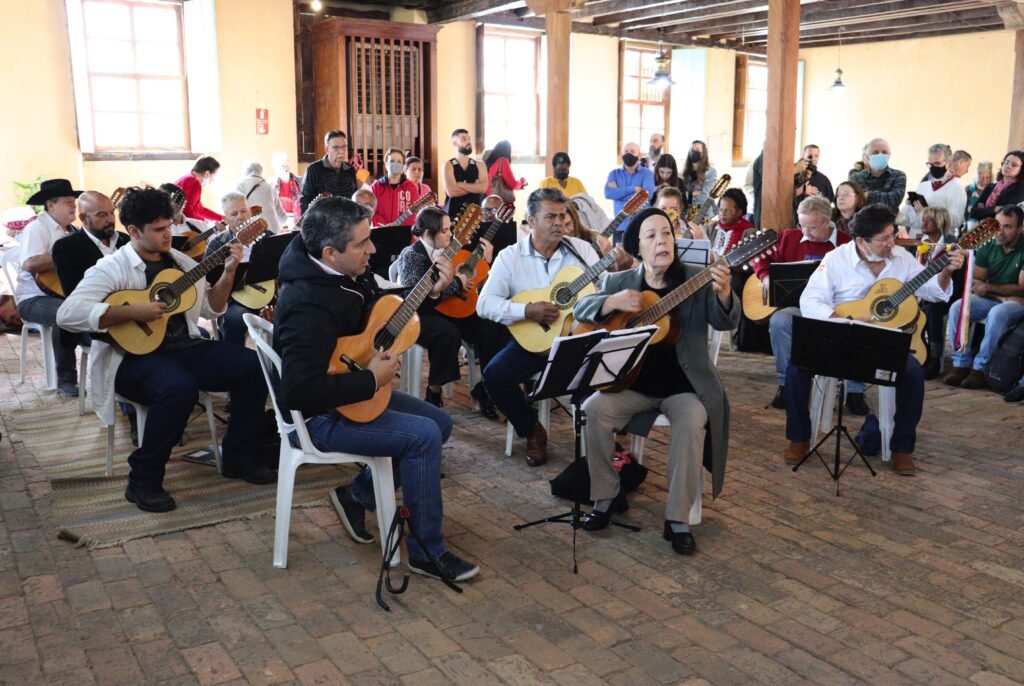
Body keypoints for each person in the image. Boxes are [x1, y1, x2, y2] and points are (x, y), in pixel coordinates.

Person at [272, 196, 479, 582]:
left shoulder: (340, 273)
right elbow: (298, 393)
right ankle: (425, 552)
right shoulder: (307, 305)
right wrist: (371, 379)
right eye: (362, 243)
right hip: (319, 417)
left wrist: (430, 287)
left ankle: (356, 497)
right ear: (330, 252)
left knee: (440, 422)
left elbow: (378, 306)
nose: (373, 248)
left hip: (351, 393)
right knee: (423, 437)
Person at [56, 187, 275, 512]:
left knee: (254, 366)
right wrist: (132, 312)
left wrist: (228, 272)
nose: (168, 235)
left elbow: (211, 309)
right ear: (133, 231)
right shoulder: (112, 268)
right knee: (178, 389)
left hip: (184, 348)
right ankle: (143, 480)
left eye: (169, 226)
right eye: (158, 230)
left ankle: (238, 457)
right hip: (131, 358)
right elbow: (67, 314)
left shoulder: (183, 262)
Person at [572, 207, 739, 555]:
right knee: (592, 410)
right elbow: (580, 310)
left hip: (683, 387)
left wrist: (724, 295)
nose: (662, 240)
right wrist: (611, 303)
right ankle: (605, 498)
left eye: (666, 233)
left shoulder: (696, 277)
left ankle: (677, 519)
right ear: (637, 246)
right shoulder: (619, 282)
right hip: (630, 385)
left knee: (693, 421)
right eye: (652, 236)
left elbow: (725, 322)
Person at [783, 204, 962, 476]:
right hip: (840, 337)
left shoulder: (901, 258)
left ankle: (902, 447)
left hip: (883, 344)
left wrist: (947, 271)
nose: (892, 242)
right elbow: (810, 300)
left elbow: (935, 292)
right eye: (884, 239)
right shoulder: (836, 259)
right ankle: (799, 438)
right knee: (797, 367)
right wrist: (846, 321)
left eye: (892, 235)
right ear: (860, 241)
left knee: (914, 373)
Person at [477, 188, 601, 466]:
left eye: (562, 215)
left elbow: (604, 287)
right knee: (494, 376)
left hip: (573, 340)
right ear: (531, 221)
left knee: (598, 373)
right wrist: (526, 310)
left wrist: (623, 267)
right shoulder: (510, 257)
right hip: (531, 342)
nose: (559, 223)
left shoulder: (580, 251)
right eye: (550, 217)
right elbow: (484, 304)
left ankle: (596, 447)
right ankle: (531, 428)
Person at [754, 196, 852, 409]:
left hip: (834, 310)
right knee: (779, 321)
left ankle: (853, 389)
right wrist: (766, 277)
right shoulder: (789, 236)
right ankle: (786, 383)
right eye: (801, 225)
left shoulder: (846, 243)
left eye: (812, 227)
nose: (804, 232)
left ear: (827, 223)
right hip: (797, 306)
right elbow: (761, 258)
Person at [395, 206, 495, 409]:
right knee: (446, 333)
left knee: (489, 326)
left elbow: (472, 277)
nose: (450, 234)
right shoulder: (412, 255)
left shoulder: (454, 252)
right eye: (444, 230)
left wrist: (486, 262)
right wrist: (456, 284)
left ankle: (486, 387)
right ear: (427, 233)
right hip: (419, 314)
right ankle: (433, 391)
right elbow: (412, 297)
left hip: (451, 309)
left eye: (451, 228)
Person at [13, 178, 87, 397]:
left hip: (64, 295)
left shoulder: (72, 231)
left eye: (73, 201)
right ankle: (66, 380)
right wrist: (65, 255)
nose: (73, 205)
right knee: (64, 315)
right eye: (67, 202)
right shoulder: (37, 228)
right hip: (32, 299)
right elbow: (29, 264)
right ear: (50, 205)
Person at [944, 206, 1024, 390]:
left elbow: (1021, 289)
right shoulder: (989, 244)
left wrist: (988, 287)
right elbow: (978, 282)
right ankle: (961, 364)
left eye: (1007, 226)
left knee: (998, 313)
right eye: (997, 225)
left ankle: (981, 367)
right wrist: (994, 292)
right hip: (996, 297)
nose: (1000, 231)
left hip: (1018, 302)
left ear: (1020, 228)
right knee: (958, 306)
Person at [203, 192, 273, 345]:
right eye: (234, 214)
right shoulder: (217, 244)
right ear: (225, 219)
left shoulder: (268, 236)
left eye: (244, 211)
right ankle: (233, 361)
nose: (240, 217)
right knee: (234, 318)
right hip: (233, 300)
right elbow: (209, 281)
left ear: (250, 211)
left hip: (269, 294)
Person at [52, 191, 130, 296]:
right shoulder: (67, 247)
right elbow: (76, 295)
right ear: (83, 218)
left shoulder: (125, 240)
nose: (110, 219)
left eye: (112, 213)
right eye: (102, 215)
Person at [917, 207, 959, 379]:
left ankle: (935, 358)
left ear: (940, 222)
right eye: (923, 219)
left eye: (929, 220)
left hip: (949, 294)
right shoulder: (921, 243)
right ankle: (921, 352)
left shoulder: (952, 244)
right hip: (924, 292)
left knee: (932, 310)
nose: (924, 222)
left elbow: (955, 278)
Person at [899, 144, 967, 237]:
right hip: (915, 241)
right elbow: (909, 219)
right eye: (930, 164)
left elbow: (956, 221)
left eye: (937, 163)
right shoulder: (923, 186)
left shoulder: (957, 187)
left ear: (949, 163)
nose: (933, 167)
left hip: (938, 242)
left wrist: (927, 213)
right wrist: (907, 208)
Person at [604, 142, 656, 243]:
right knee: (618, 258)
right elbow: (608, 193)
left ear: (639, 155)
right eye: (626, 151)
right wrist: (633, 189)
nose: (629, 154)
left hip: (641, 226)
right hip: (620, 226)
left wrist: (618, 194)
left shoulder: (647, 174)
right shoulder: (614, 174)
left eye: (632, 151)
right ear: (621, 154)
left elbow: (646, 195)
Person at [301, 130, 358, 213]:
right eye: (336, 148)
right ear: (327, 149)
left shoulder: (350, 170)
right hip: (323, 222)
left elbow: (354, 198)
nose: (341, 151)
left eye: (344, 147)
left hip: (347, 221)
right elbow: (304, 201)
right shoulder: (313, 170)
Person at [848, 138, 907, 211]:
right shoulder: (856, 177)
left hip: (889, 221)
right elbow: (857, 201)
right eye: (875, 152)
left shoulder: (898, 175)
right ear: (866, 156)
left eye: (884, 152)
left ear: (889, 155)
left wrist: (868, 195)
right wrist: (886, 196)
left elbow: (895, 199)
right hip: (862, 221)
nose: (880, 155)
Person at [442, 129, 488, 221]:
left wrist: (461, 185)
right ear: (455, 143)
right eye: (464, 139)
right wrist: (475, 187)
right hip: (453, 217)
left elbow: (483, 188)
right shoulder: (448, 165)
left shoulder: (480, 165)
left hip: (474, 217)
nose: (468, 142)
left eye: (469, 139)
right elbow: (451, 191)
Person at [371, 148, 424, 227]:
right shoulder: (376, 187)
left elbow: (415, 212)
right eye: (392, 161)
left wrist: (398, 225)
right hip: (381, 231)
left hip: (404, 232)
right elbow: (371, 211)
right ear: (386, 164)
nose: (395, 164)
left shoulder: (411, 187)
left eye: (399, 162)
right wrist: (386, 225)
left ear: (403, 166)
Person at [969, 151, 1024, 222]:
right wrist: (995, 209)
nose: (1008, 166)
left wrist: (983, 210)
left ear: (1022, 169)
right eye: (1006, 162)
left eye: (1014, 165)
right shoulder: (991, 186)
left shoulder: (1020, 189)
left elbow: (1006, 215)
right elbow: (973, 212)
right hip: (981, 229)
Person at [236, 160, 286, 235]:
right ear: (261, 171)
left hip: (252, 231)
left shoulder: (240, 185)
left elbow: (235, 208)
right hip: (273, 231)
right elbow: (282, 216)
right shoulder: (270, 187)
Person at [175, 157, 223, 222]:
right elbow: (188, 211)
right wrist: (202, 223)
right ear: (207, 174)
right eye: (213, 176)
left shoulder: (187, 178)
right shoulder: (194, 182)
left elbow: (199, 209)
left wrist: (221, 218)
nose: (213, 180)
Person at [708, 188, 753, 256]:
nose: (723, 213)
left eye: (727, 210)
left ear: (738, 212)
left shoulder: (749, 233)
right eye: (721, 210)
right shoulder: (711, 228)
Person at [681, 140, 718, 208]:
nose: (693, 152)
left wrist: (688, 195)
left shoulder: (711, 172)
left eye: (697, 149)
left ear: (703, 153)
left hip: (704, 212)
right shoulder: (683, 173)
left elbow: (705, 196)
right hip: (686, 212)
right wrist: (693, 194)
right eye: (692, 149)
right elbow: (679, 196)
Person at [273, 152, 302, 228]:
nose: (285, 166)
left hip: (299, 223)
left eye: (287, 162)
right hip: (280, 224)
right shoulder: (271, 185)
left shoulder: (300, 181)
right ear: (275, 167)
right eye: (282, 164)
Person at [965, 161, 994, 227]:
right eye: (981, 177)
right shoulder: (968, 190)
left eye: (988, 178)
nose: (984, 181)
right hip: (967, 228)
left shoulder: (994, 191)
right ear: (976, 177)